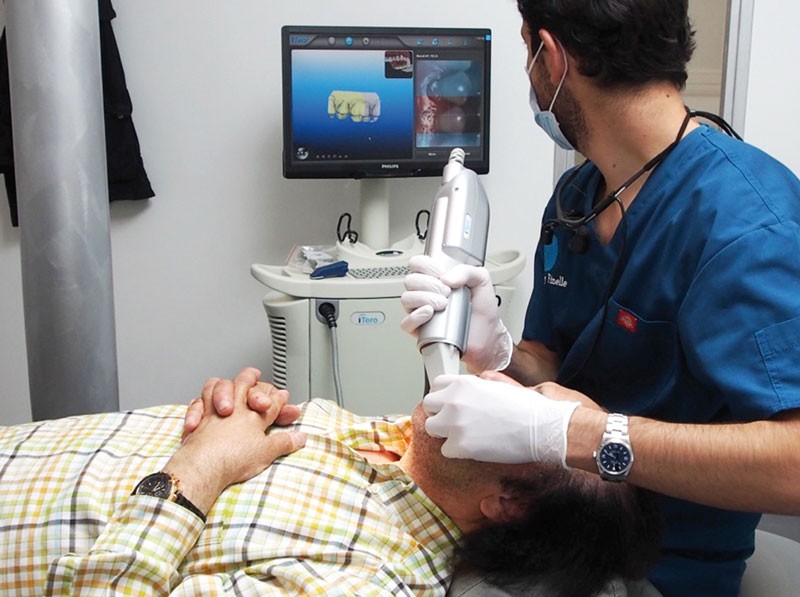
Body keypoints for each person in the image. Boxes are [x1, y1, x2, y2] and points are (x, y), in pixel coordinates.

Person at [399, 1, 800, 596]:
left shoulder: (747, 224)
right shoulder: (578, 196)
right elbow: (557, 367)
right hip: (542, 530)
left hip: (660, 564)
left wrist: (580, 435)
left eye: (527, 50)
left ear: (551, 55)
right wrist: (498, 352)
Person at [0, 367, 660, 596]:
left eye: (524, 411)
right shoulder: (391, 442)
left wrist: (196, 470)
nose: (494, 379)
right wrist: (231, 405)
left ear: (506, 502)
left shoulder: (365, 576)